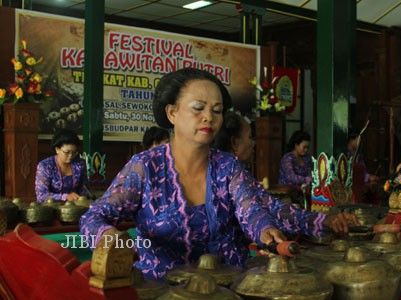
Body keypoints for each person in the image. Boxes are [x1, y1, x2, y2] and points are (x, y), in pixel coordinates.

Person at [80, 68, 356, 281]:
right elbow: (93, 217)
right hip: (161, 290)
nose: (208, 118)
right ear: (172, 113)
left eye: (217, 111)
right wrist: (108, 236)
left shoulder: (228, 167)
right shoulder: (145, 167)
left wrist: (269, 229)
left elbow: (254, 208)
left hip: (227, 288)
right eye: (198, 108)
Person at [35, 129, 89, 203]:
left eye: (74, 152)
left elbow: (83, 189)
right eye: (67, 152)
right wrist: (65, 197)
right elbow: (41, 196)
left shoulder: (80, 164)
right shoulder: (45, 166)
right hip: (51, 208)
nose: (70, 156)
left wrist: (82, 197)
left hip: (75, 207)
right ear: (57, 149)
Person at [347, 132, 379, 203]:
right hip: (352, 191)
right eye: (358, 140)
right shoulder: (347, 155)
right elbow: (352, 173)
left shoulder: (358, 155)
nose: (359, 142)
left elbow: (363, 173)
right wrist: (367, 178)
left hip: (360, 189)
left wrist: (369, 177)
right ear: (352, 140)